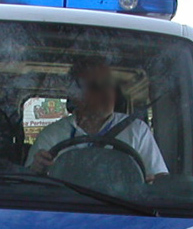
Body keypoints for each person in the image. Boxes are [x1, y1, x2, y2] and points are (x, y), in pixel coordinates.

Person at [27, 57, 168, 182]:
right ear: (76, 95)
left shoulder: (137, 130)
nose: (106, 93)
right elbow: (30, 184)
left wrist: (151, 183)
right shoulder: (52, 135)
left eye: (109, 85)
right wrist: (37, 169)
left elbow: (158, 180)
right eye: (95, 87)